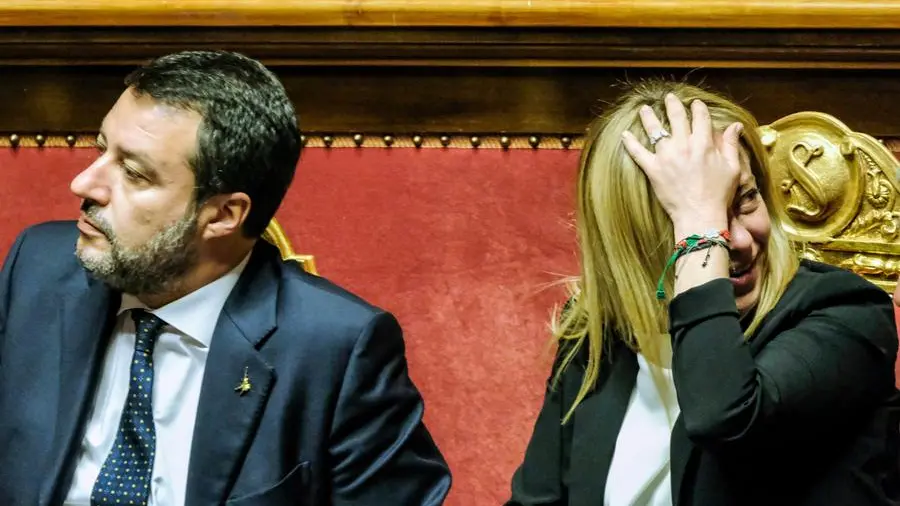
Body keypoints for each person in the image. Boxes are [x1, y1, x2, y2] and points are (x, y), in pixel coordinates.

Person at [0, 50, 451, 506]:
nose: (84, 184)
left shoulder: (336, 350)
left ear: (222, 215)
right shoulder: (37, 269)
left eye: (134, 173)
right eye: (102, 151)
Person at [506, 80, 900, 505]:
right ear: (629, 243)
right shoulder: (599, 329)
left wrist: (698, 227)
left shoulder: (845, 312)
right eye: (686, 218)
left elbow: (725, 417)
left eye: (746, 199)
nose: (740, 240)